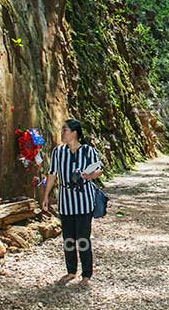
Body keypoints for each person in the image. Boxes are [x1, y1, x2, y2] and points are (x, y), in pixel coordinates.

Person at [42, 119, 103, 287]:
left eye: (65, 130)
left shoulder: (88, 151)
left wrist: (88, 176)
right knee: (68, 238)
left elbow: (99, 169)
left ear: (75, 132)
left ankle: (86, 274)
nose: (62, 133)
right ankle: (71, 270)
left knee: (83, 238)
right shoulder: (58, 152)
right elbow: (52, 174)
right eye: (62, 130)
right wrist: (46, 196)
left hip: (84, 200)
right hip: (66, 201)